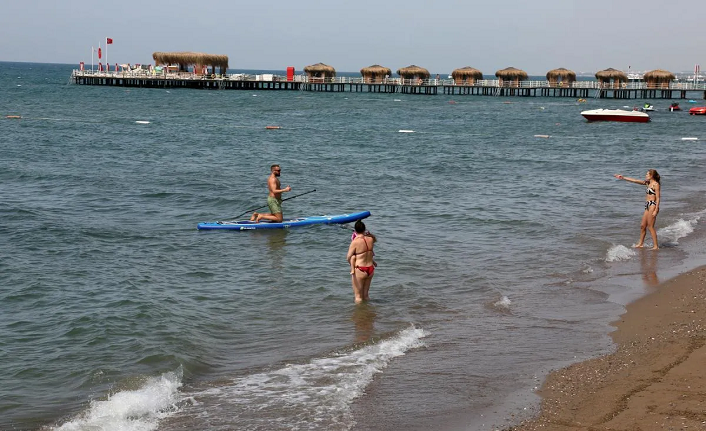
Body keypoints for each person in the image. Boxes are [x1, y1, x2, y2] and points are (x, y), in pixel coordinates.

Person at [613, 170, 661, 249]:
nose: (646, 175)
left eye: (647, 174)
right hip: (647, 205)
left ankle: (656, 246)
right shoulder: (647, 183)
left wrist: (656, 210)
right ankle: (641, 244)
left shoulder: (656, 184)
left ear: (652, 175)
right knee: (642, 226)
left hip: (653, 205)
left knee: (650, 226)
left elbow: (658, 198)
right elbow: (635, 181)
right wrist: (623, 178)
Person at [346, 220, 376, 304]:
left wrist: (352, 263)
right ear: (364, 229)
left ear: (355, 230)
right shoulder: (370, 239)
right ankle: (367, 314)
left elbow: (348, 256)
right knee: (366, 295)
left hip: (360, 269)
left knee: (358, 297)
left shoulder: (355, 242)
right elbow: (371, 253)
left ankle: (359, 316)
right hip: (370, 269)